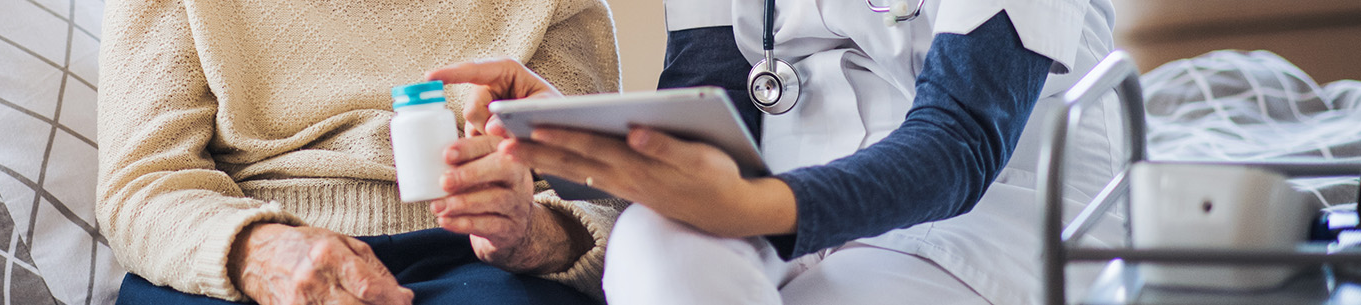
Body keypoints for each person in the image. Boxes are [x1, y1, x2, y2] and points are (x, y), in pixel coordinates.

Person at [424, 0, 1117, 304]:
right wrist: (586, 137)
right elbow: (713, 93)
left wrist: (752, 206)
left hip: (973, 214)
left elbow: (962, 140)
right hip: (773, 194)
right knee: (651, 249)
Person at [95, 0, 629, 304]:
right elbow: (145, 185)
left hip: (480, 264)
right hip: (241, 256)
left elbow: (608, 199)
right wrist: (259, 254)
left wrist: (531, 235)